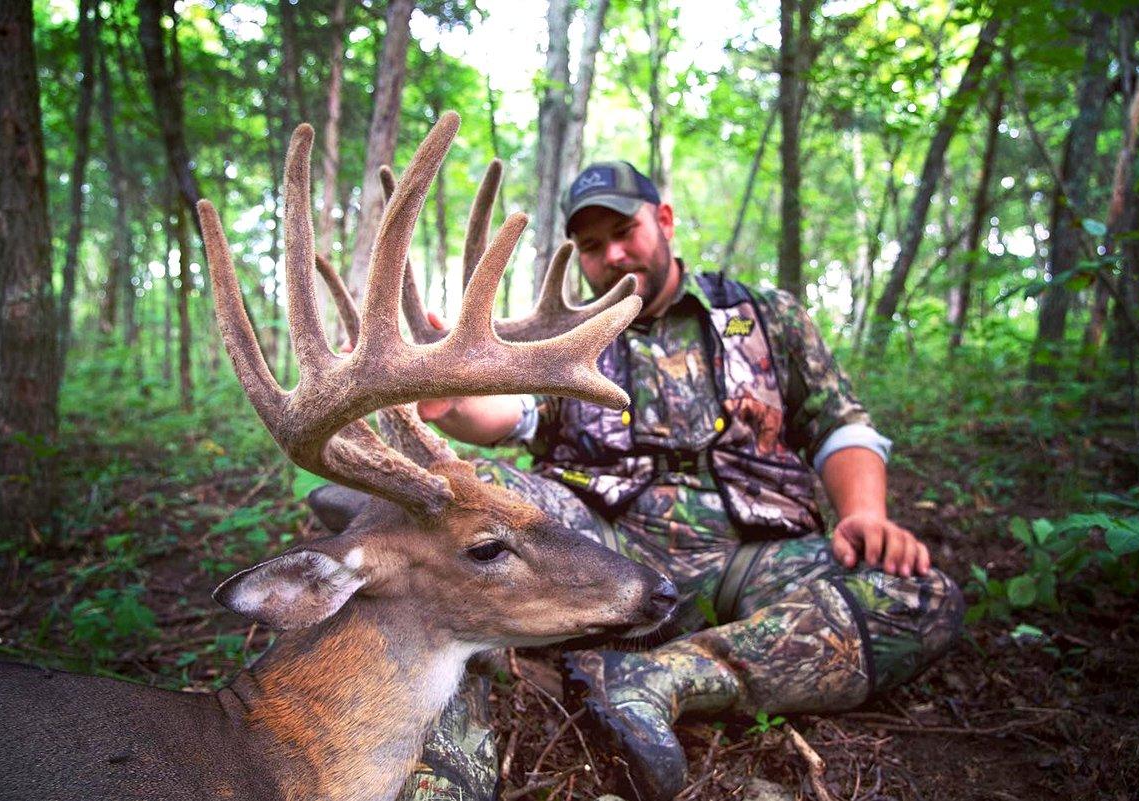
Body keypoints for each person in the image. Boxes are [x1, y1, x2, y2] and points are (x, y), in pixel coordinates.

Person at [313, 161, 963, 801]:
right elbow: (516, 416)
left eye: (626, 230)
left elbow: (839, 425)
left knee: (919, 593)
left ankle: (657, 678)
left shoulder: (766, 317)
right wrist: (447, 398)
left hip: (751, 555)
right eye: (592, 246)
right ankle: (439, 774)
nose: (614, 253)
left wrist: (865, 513)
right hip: (596, 544)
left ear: (665, 219)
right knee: (453, 499)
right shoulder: (570, 338)